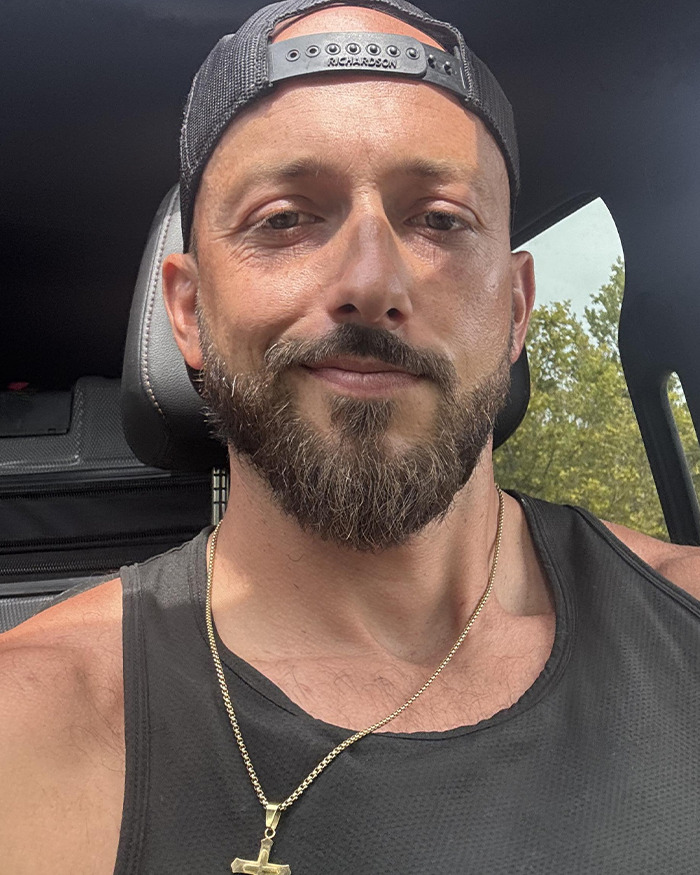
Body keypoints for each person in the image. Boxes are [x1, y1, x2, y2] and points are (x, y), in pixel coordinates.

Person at [2, 1, 700, 872]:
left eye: (440, 219)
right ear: (188, 312)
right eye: (285, 218)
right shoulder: (27, 726)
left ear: (517, 308)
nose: (372, 282)